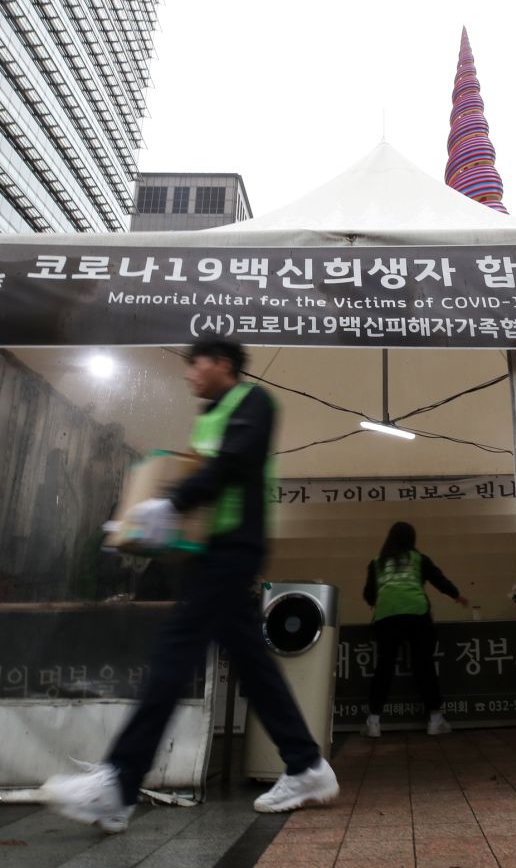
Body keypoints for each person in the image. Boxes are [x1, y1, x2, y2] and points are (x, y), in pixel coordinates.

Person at [41, 339, 338, 832]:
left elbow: (232, 463)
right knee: (252, 663)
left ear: (223, 363)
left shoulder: (253, 402)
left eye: (196, 364)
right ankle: (305, 764)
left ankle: (119, 783)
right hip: (210, 554)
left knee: (174, 653)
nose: (189, 375)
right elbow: (206, 471)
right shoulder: (211, 416)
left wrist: (170, 503)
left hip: (232, 549)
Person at [362, 521, 468, 737]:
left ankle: (373, 722)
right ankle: (435, 721)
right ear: (412, 539)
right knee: (424, 666)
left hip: (386, 617)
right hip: (417, 615)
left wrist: (377, 601)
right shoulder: (419, 559)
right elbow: (439, 580)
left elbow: (368, 594)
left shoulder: (377, 562)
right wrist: (457, 596)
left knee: (384, 667)